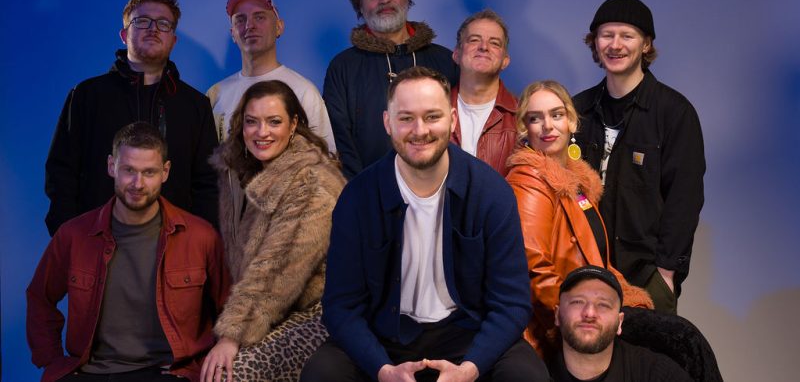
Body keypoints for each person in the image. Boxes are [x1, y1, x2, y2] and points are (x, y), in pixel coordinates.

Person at [301, 66, 549, 382]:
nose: (420, 130)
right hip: (384, 338)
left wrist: (470, 368)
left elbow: (512, 303)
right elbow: (340, 307)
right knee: (322, 374)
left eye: (433, 116)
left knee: (527, 377)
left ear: (453, 120)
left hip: (468, 335)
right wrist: (382, 369)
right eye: (406, 118)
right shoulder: (357, 198)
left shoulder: (491, 192)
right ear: (388, 123)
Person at [27, 122, 230, 382]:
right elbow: (39, 297)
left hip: (167, 373)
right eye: (129, 171)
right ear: (112, 166)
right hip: (91, 372)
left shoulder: (200, 236)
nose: (138, 183)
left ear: (165, 172)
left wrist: (223, 345)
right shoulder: (73, 235)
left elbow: (230, 305)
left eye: (149, 172)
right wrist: (53, 362)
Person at [45, 0, 219, 235]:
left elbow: (208, 184)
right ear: (124, 34)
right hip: (97, 243)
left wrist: (199, 243)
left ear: (173, 39)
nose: (153, 29)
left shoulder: (195, 106)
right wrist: (69, 236)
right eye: (142, 21)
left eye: (163, 24)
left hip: (174, 249)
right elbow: (61, 173)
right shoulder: (87, 96)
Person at [201, 80, 345, 382]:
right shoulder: (241, 171)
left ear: (293, 125)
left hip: (323, 314)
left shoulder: (311, 183)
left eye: (274, 122)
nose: (262, 132)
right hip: (271, 309)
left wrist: (231, 336)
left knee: (233, 374)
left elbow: (277, 270)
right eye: (252, 122)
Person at [572, 0, 706, 314]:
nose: (615, 45)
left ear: (646, 44)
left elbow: (684, 200)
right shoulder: (577, 110)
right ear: (594, 43)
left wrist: (666, 274)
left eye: (627, 35)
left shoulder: (674, 112)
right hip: (582, 272)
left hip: (645, 278)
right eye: (607, 35)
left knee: (648, 365)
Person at [505, 80, 653, 361]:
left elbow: (598, 261)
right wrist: (573, 316)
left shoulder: (577, 183)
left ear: (571, 122)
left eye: (556, 115)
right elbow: (532, 266)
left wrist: (626, 300)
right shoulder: (529, 179)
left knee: (679, 339)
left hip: (592, 306)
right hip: (563, 320)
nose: (547, 125)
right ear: (526, 129)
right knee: (678, 343)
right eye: (536, 118)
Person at [324, 0, 459, 179]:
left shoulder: (445, 60)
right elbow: (340, 140)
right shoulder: (342, 67)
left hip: (440, 188)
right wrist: (361, 194)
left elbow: (459, 131)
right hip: (369, 195)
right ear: (360, 5)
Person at [206, 0, 336, 150]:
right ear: (233, 33)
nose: (249, 25)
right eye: (240, 19)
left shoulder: (304, 92)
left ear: (279, 27)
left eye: (260, 17)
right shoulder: (215, 95)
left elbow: (327, 160)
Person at [550, 266, 692, 382]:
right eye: (578, 302)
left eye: (603, 305)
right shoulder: (536, 374)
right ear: (557, 315)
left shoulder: (658, 374)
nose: (589, 313)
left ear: (620, 322)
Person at [450, 9, 517, 176]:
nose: (484, 47)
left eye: (494, 43)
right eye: (474, 40)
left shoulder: (523, 116)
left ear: (505, 61)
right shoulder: (431, 111)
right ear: (457, 54)